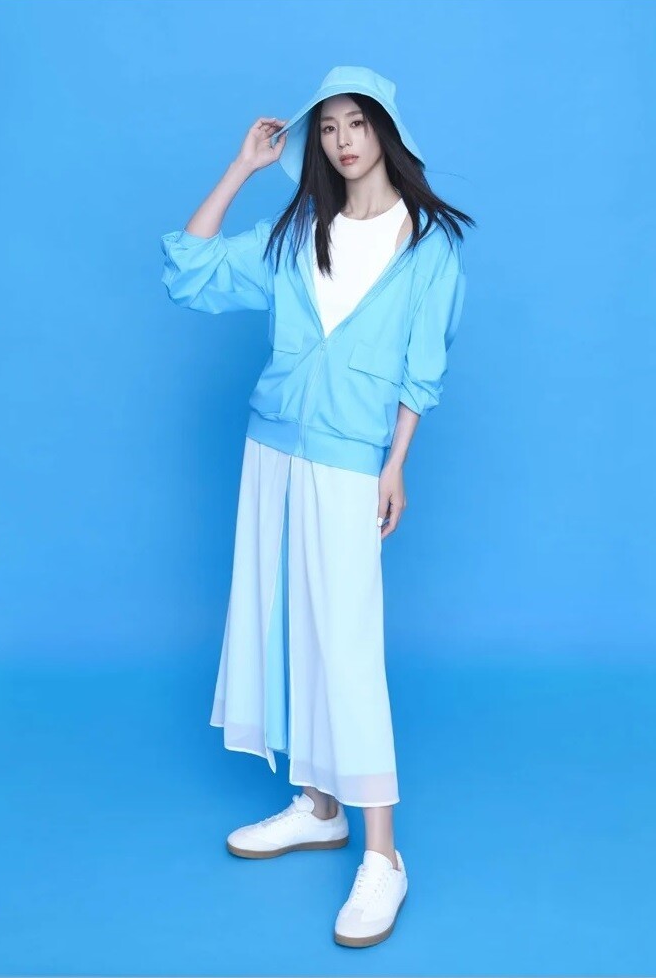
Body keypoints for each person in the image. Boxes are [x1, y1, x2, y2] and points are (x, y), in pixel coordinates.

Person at [160, 65, 473, 948]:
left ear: (385, 131)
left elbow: (421, 368)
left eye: (354, 123)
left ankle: (384, 855)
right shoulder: (297, 228)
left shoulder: (429, 245)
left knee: (345, 637)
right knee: (288, 621)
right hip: (271, 445)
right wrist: (241, 169)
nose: (340, 140)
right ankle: (318, 805)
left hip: (349, 458)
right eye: (327, 127)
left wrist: (395, 465)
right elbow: (188, 270)